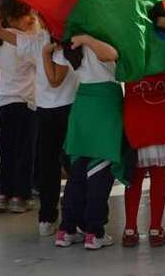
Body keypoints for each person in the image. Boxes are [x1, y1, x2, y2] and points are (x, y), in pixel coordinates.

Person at [0, 0, 79, 237]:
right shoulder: (69, 41)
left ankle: (47, 218)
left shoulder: (36, 41)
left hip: (44, 110)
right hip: (69, 108)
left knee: (48, 165)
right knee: (73, 165)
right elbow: (56, 80)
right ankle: (74, 217)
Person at [47, 35, 123, 251]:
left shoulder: (68, 46)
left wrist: (48, 52)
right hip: (105, 103)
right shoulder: (96, 41)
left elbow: (54, 71)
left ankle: (67, 229)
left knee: (78, 172)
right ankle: (94, 232)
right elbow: (112, 54)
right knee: (100, 171)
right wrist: (87, 38)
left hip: (82, 102)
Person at [121, 73, 165, 248]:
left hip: (136, 109)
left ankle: (130, 229)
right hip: (161, 108)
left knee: (134, 176)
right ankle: (155, 229)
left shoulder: (127, 52)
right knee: (159, 173)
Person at [0, 0, 38, 214]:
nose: (30, 18)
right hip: (26, 103)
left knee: (7, 152)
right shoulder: (24, 41)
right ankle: (21, 195)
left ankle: (3, 193)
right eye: (25, 14)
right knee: (25, 152)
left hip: (5, 102)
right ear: (11, 18)